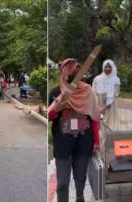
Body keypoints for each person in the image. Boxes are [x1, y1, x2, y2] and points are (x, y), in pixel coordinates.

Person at [48, 58, 100, 202]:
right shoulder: (56, 91)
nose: (74, 71)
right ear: (63, 71)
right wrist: (60, 104)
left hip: (84, 140)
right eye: (70, 68)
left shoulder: (87, 90)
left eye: (77, 68)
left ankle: (79, 196)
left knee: (80, 177)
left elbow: (94, 118)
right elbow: (49, 116)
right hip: (63, 143)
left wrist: (96, 141)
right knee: (63, 181)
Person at [92, 59, 121, 129]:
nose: (107, 69)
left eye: (109, 67)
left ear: (112, 68)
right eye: (106, 66)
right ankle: (101, 139)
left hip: (111, 107)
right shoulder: (97, 79)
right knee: (101, 123)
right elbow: (93, 92)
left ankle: (109, 138)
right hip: (100, 107)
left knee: (111, 125)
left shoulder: (116, 80)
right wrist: (98, 107)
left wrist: (106, 106)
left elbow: (116, 94)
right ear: (103, 67)